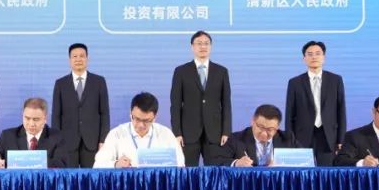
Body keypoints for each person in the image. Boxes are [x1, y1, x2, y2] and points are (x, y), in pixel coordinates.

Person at [170, 30, 232, 166]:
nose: (203, 46)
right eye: (199, 43)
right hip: (188, 134)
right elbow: (175, 105)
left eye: (206, 43)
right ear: (192, 46)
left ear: (211, 46)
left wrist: (226, 131)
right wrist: (177, 133)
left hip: (215, 134)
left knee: (215, 172)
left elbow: (226, 104)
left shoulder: (221, 71)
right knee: (188, 172)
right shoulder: (181, 71)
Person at [285, 40, 346, 166]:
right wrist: (289, 140)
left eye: (318, 53)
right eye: (310, 54)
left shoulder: (336, 80)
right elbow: (289, 113)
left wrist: (341, 139)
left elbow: (341, 111)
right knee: (302, 173)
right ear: (304, 59)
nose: (314, 57)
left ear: (324, 57)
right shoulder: (295, 82)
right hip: (302, 136)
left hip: (328, 136)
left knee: (326, 173)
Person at [51, 43, 110, 168]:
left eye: (82, 56)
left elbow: (104, 113)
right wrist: (56, 141)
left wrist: (103, 140)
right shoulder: (60, 84)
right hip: (67, 142)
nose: (78, 59)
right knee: (68, 177)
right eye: (75, 56)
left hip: (92, 142)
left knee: (91, 177)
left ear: (87, 58)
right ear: (69, 60)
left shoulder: (99, 82)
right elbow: (56, 115)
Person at [94, 92, 185, 168]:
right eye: (137, 119)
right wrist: (115, 164)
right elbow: (98, 164)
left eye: (146, 121)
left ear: (155, 117)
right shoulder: (117, 134)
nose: (141, 125)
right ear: (130, 113)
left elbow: (180, 163)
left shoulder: (165, 134)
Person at [0, 97, 67, 169]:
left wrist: (26, 162)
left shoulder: (57, 137)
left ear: (45, 119)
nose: (31, 124)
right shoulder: (8, 136)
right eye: (27, 118)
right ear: (22, 116)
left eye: (36, 119)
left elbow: (61, 164)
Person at [227, 104, 299, 167]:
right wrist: (237, 163)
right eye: (261, 127)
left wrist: (282, 164)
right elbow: (221, 159)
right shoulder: (236, 138)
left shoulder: (287, 138)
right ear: (253, 121)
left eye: (270, 129)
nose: (264, 133)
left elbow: (303, 159)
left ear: (277, 127)